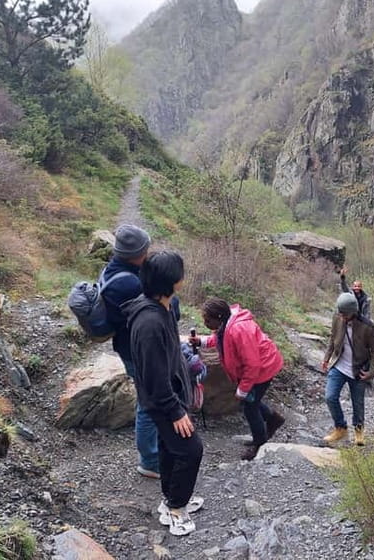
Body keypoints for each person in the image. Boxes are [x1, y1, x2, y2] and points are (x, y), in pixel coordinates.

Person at [122, 251, 204, 536]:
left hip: (172, 392)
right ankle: (176, 510)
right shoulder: (150, 323)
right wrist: (175, 410)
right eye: (180, 273)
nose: (184, 276)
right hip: (163, 400)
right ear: (171, 281)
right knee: (191, 450)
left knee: (171, 447)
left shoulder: (163, 307)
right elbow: (154, 376)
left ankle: (170, 499)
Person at [190, 297, 285, 461]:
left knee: (249, 407)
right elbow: (222, 339)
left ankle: (260, 442)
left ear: (219, 317)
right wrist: (202, 341)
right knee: (250, 401)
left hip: (264, 367)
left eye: (207, 320)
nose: (205, 323)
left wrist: (243, 389)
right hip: (259, 367)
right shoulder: (226, 324)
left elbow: (253, 364)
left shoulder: (239, 330)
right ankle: (273, 419)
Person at [101, 224, 160, 478]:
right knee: (148, 404)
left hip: (129, 346)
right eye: (145, 249)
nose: (148, 252)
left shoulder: (115, 270)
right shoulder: (129, 284)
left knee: (149, 399)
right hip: (138, 351)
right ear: (136, 254)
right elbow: (163, 309)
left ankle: (154, 451)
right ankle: (150, 461)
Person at [321, 292, 374, 446]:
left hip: (359, 370)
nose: (342, 317)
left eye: (344, 314)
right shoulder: (337, 317)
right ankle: (340, 428)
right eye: (340, 313)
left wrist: (372, 371)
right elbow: (332, 338)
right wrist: (326, 358)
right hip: (339, 365)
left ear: (353, 312)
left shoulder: (368, 326)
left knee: (358, 403)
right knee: (330, 397)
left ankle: (359, 429)